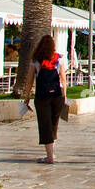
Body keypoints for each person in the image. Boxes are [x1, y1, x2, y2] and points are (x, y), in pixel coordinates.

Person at [32, 35, 68, 164]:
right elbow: (63, 80)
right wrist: (65, 96)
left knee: (45, 124)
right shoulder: (59, 59)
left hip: (42, 96)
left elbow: (30, 81)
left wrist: (26, 97)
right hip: (57, 95)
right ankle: (52, 153)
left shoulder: (36, 60)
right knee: (54, 123)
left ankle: (49, 156)